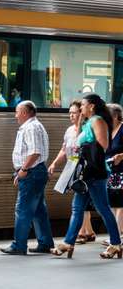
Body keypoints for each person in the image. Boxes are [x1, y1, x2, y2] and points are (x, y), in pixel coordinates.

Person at [51, 93, 122, 259]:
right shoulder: (88, 122)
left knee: (103, 208)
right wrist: (80, 133)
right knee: (77, 209)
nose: (80, 108)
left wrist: (83, 147)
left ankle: (116, 243)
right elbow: (80, 143)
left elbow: (103, 145)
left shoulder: (97, 120)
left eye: (83, 105)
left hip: (95, 172)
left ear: (92, 106)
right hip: (85, 172)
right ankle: (68, 242)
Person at [0, 100, 54, 255]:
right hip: (35, 171)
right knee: (38, 210)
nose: (15, 115)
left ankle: (19, 245)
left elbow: (35, 151)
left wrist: (23, 169)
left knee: (22, 209)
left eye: (17, 112)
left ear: (25, 112)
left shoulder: (31, 127)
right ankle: (45, 243)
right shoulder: (34, 126)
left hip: (32, 172)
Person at [48, 100, 96, 244]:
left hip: (85, 168)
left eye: (74, 113)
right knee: (82, 199)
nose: (71, 116)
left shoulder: (88, 129)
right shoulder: (69, 130)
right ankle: (88, 231)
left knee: (82, 200)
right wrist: (54, 163)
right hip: (72, 166)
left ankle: (82, 232)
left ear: (81, 113)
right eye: (69, 113)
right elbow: (64, 149)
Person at [105, 103, 123, 243]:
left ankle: (117, 236)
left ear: (116, 116)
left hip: (121, 172)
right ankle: (115, 235)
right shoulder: (107, 130)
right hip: (109, 172)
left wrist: (121, 155)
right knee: (111, 203)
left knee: (120, 204)